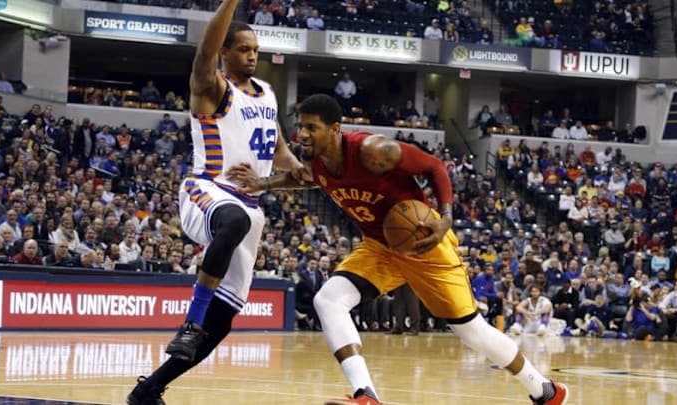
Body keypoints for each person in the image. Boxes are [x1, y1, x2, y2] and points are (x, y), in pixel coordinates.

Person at [227, 94, 568, 405]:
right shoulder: (317, 163)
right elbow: (303, 178)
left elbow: (434, 166)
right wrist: (263, 183)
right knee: (327, 300)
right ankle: (366, 395)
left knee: (472, 333)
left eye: (311, 128)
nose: (302, 134)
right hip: (380, 247)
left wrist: (446, 218)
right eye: (300, 127)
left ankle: (545, 391)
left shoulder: (373, 151)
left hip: (423, 242)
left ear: (335, 129)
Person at [126, 1, 304, 404]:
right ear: (225, 51)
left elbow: (287, 164)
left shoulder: (269, 96)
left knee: (222, 323)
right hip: (207, 189)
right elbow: (202, 55)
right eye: (243, 48)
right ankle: (190, 322)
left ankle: (149, 388)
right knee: (234, 220)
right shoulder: (212, 87)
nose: (252, 55)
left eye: (256, 49)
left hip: (249, 208)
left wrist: (280, 177)